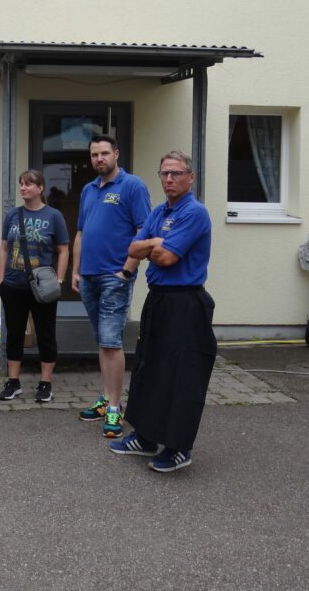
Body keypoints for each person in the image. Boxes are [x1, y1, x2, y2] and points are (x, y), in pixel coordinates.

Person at [109, 150, 215, 473]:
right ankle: (145, 437)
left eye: (176, 173)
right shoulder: (158, 211)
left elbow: (167, 258)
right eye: (165, 173)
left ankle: (178, 447)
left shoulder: (195, 213)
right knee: (149, 369)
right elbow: (132, 248)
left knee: (180, 376)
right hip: (158, 300)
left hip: (185, 303)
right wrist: (156, 241)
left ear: (190, 177)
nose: (169, 179)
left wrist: (153, 246)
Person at [71, 134, 152, 438]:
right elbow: (81, 232)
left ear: (116, 154)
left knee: (110, 342)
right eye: (94, 154)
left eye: (104, 153)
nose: (99, 159)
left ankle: (116, 409)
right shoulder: (88, 189)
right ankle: (106, 399)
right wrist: (76, 271)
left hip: (114, 276)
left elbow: (144, 230)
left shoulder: (132, 186)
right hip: (89, 276)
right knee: (102, 342)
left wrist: (127, 271)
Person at [0, 169, 70, 402]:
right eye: (21, 184)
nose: (23, 188)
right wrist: (0, 281)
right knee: (14, 334)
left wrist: (59, 280)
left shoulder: (54, 216)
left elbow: (63, 249)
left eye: (28, 184)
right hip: (13, 285)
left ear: (40, 188)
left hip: (43, 288)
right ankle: (13, 381)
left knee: (45, 334)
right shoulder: (12, 215)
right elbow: (4, 248)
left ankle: (45, 383)